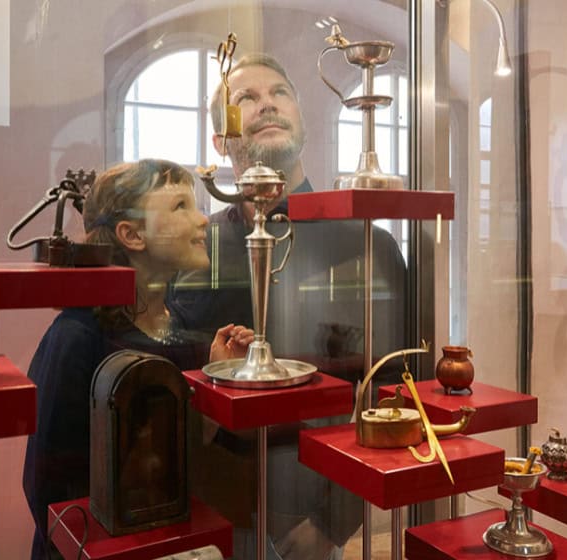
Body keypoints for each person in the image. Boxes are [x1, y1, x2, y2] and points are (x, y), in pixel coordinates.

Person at [169, 54, 408, 560]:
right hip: (210, 515)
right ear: (220, 141)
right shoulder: (191, 252)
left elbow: (396, 388)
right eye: (246, 99)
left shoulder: (369, 245)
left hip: (316, 509)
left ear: (302, 120)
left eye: (280, 93)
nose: (267, 105)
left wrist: (335, 519)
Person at [22, 159, 255, 560]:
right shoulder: (76, 338)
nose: (202, 221)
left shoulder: (181, 328)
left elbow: (183, 460)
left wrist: (215, 378)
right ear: (132, 234)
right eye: (181, 207)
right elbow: (50, 489)